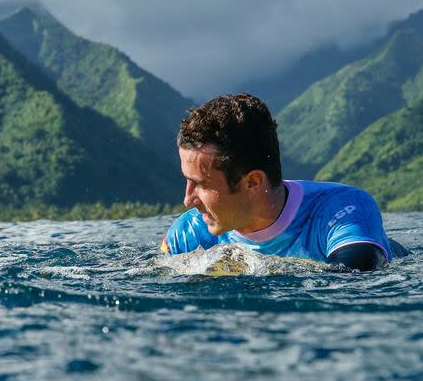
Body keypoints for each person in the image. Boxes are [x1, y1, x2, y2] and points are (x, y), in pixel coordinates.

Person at [161, 93, 407, 271]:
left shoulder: (342, 211)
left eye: (202, 184)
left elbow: (358, 279)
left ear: (253, 182)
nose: (187, 200)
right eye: (187, 181)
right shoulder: (188, 234)